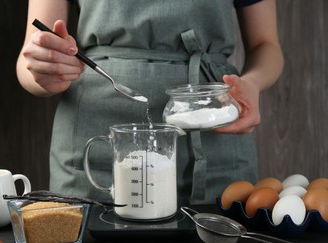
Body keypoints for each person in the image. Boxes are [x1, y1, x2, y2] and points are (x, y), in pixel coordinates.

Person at [16, 0, 283, 204]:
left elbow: (266, 45)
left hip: (214, 132)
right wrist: (44, 69)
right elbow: (29, 60)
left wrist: (253, 83)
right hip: (95, 137)